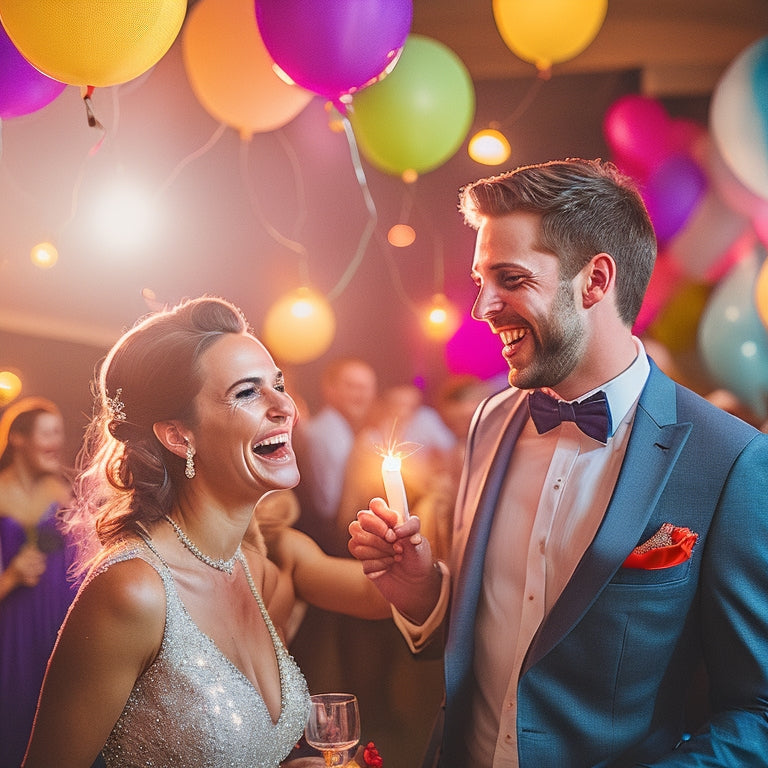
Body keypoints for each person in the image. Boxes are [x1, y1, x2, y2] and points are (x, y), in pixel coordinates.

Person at [348, 159, 768, 767]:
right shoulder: (490, 420)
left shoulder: (728, 460)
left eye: (511, 279)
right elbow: (496, 636)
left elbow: (756, 712)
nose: (482, 307)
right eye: (481, 280)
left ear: (595, 280)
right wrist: (424, 594)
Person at [22, 297, 312, 768]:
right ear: (179, 436)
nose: (285, 407)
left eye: (277, 385)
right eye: (247, 392)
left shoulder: (254, 572)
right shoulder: (135, 591)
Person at [0, 397, 76, 768]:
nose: (57, 442)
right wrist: (12, 575)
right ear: (18, 438)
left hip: (60, 627)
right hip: (13, 634)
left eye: (59, 433)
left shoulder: (63, 495)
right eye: (48, 433)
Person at [294, 357, 377, 556]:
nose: (361, 395)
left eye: (367, 387)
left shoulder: (347, 432)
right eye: (352, 386)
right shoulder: (326, 435)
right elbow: (328, 511)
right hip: (329, 549)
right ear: (329, 389)